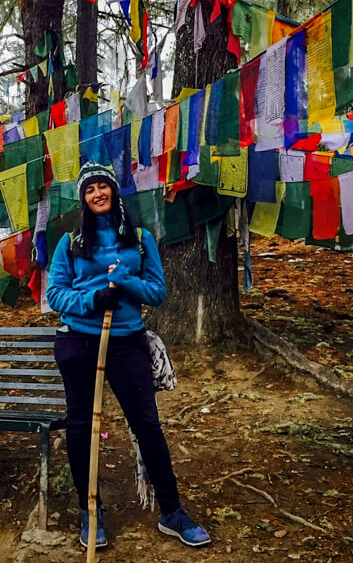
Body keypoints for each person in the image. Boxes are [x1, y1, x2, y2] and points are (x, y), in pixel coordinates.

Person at [46, 161, 212, 550]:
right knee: (81, 427)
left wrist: (125, 282)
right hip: (78, 342)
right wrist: (91, 298)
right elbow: (55, 294)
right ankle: (91, 512)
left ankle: (172, 512)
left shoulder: (139, 239)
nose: (97, 194)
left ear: (114, 192)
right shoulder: (69, 242)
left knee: (147, 425)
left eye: (103, 186)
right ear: (83, 199)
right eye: (90, 190)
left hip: (126, 342)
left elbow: (157, 292)